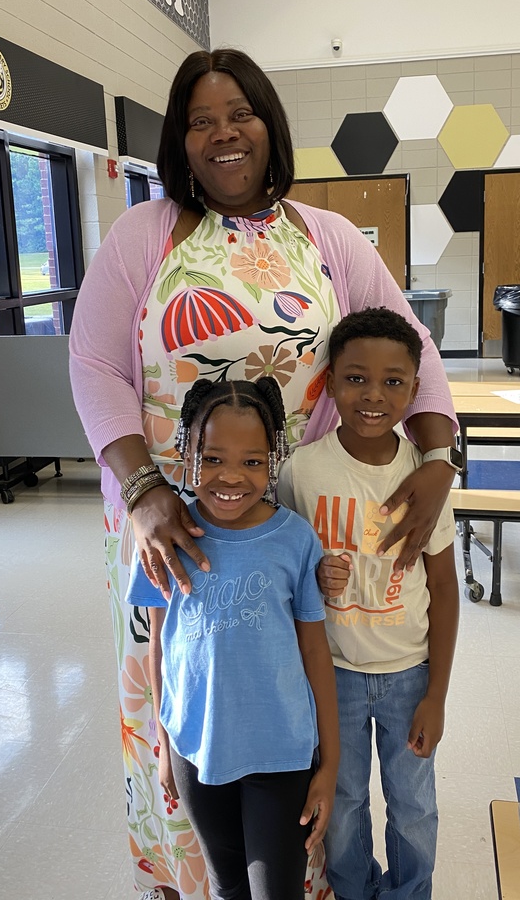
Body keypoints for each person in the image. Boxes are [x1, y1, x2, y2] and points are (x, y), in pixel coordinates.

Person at [69, 46, 458, 898]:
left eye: (239, 113)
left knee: (289, 701)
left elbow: (411, 349)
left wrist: (438, 459)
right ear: (179, 139)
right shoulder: (143, 233)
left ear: (269, 124)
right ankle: (191, 876)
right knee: (183, 700)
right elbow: (94, 365)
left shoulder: (326, 239)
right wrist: (142, 492)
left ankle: (301, 877)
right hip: (168, 529)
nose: (223, 135)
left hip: (289, 525)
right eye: (199, 121)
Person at [127, 376, 338, 900]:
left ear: (272, 461)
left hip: (281, 754)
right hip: (195, 750)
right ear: (185, 453)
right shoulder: (164, 540)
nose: (231, 477)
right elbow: (159, 648)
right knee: (226, 887)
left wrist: (330, 764)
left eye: (252, 461)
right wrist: (163, 745)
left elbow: (315, 651)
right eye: (214, 457)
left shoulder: (293, 538)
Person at [277, 307, 459, 900]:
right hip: (333, 677)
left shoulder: (426, 477)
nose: (373, 395)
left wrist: (436, 693)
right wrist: (313, 570)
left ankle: (411, 893)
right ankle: (355, 893)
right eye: (356, 378)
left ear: (414, 387)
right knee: (346, 804)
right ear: (329, 383)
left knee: (413, 807)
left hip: (410, 676)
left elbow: (446, 587)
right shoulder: (303, 470)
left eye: (393, 381)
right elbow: (286, 565)